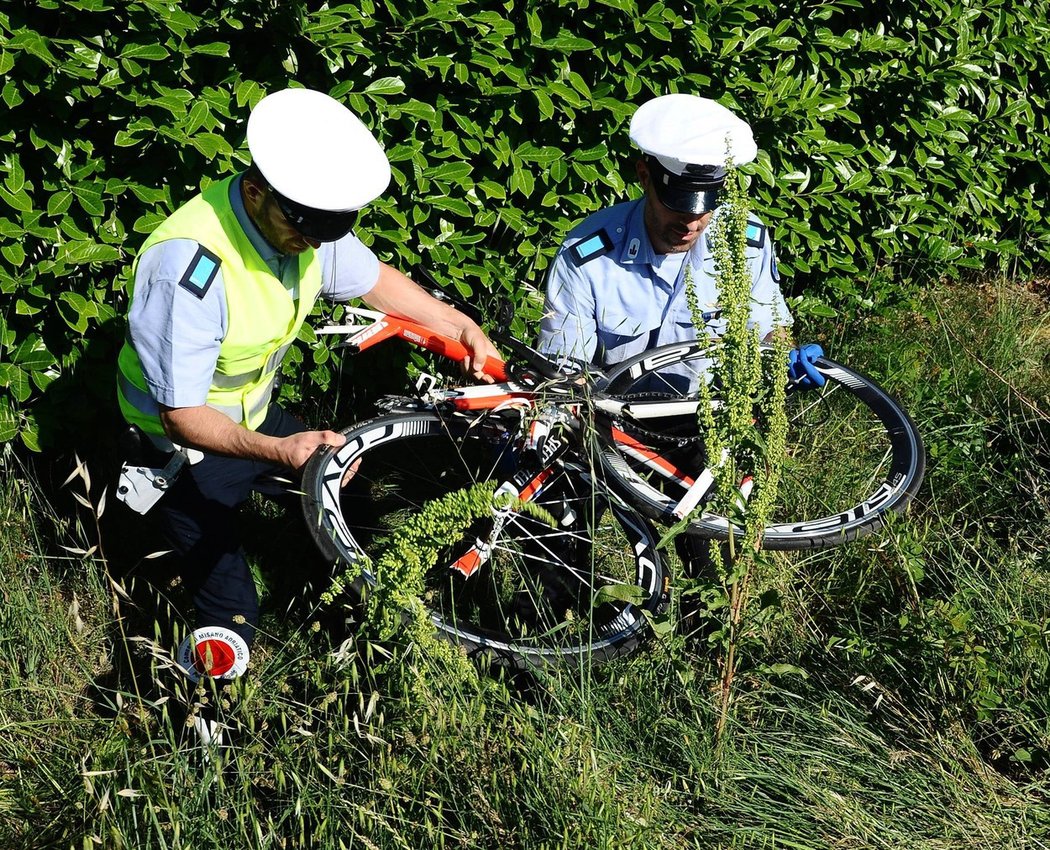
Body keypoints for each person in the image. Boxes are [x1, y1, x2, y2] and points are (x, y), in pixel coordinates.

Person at [115, 87, 500, 697]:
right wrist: (282, 452)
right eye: (306, 227)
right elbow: (182, 415)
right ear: (257, 189)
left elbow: (375, 282)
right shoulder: (189, 267)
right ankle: (203, 729)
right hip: (178, 452)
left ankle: (347, 631)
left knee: (358, 500)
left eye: (329, 229)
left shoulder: (305, 219)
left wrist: (458, 326)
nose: (317, 243)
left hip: (256, 420)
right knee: (233, 611)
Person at [537, 93, 823, 615]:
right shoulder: (587, 254)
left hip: (697, 418)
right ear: (645, 174)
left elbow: (767, 331)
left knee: (705, 547)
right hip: (602, 422)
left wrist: (784, 355)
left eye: (706, 206)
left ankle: (699, 638)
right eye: (677, 204)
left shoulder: (746, 241)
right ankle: (557, 634)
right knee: (562, 529)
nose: (691, 223)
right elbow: (563, 375)